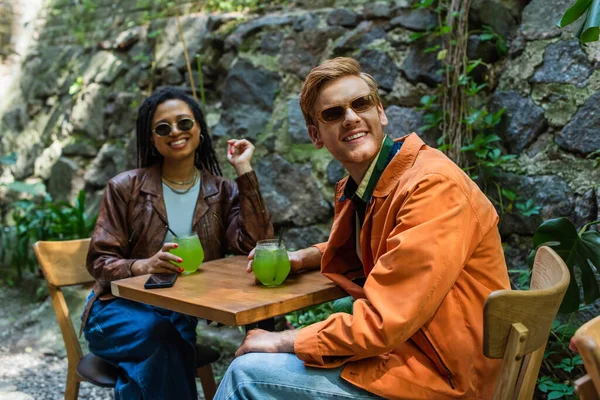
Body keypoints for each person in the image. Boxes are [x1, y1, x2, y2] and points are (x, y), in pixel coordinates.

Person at [214, 57, 511, 400]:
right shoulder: (380, 180)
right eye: (333, 114)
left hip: (446, 379)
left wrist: (282, 340)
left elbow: (385, 320)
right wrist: (307, 256)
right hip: (414, 356)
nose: (351, 117)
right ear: (316, 135)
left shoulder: (432, 187)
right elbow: (393, 245)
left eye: (361, 103)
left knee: (245, 375)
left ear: (380, 111)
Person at [81, 87, 274, 400]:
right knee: (163, 339)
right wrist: (142, 265)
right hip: (115, 311)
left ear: (199, 129)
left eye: (184, 123)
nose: (175, 132)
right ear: (153, 139)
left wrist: (244, 171)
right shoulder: (125, 187)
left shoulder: (223, 191)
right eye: (162, 128)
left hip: (176, 311)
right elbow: (99, 262)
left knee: (163, 345)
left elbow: (254, 245)